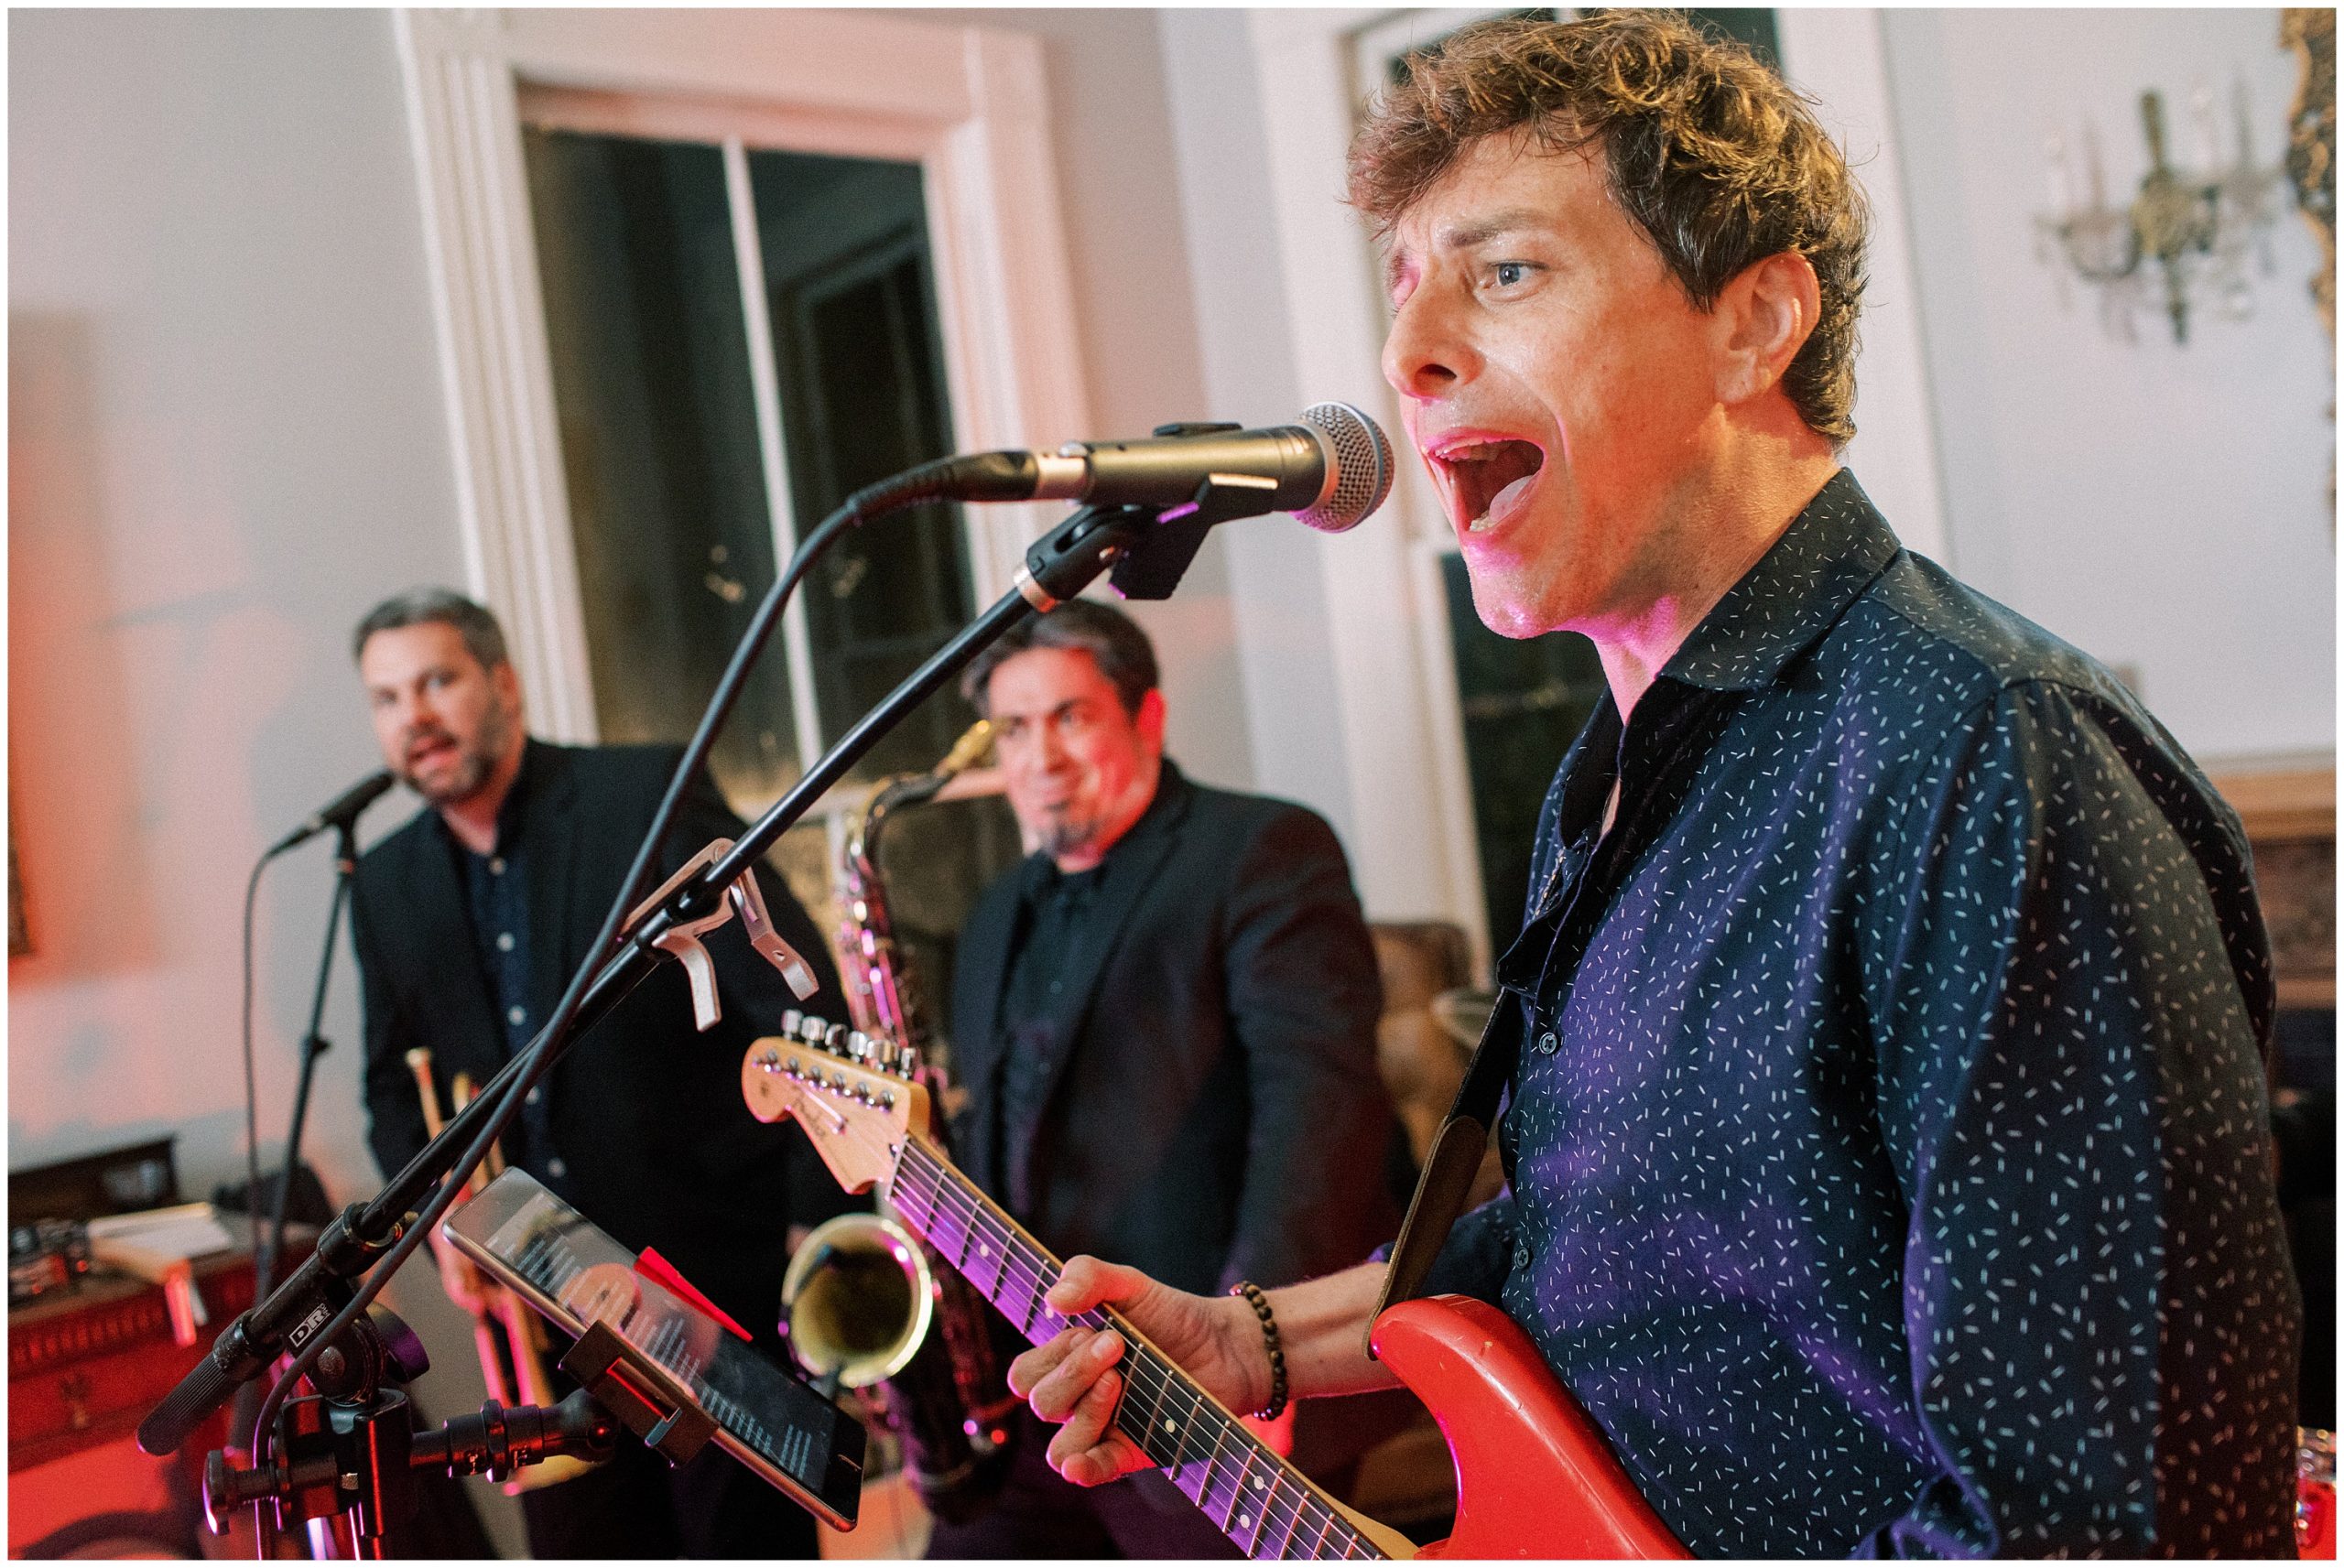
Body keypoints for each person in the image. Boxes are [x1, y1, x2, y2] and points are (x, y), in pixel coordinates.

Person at [1002, 14, 2302, 1558]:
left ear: (1756, 323)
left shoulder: (1992, 759)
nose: (1406, 356)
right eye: (1404, 287)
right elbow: (1606, 1241)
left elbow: (2105, 1522)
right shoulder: (1610, 782)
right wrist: (1255, 1339)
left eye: (1504, 272)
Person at [347, 587, 852, 1559]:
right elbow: (387, 1087)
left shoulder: (644, 796)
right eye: (387, 698)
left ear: (503, 684)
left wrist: (809, 1225)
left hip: (713, 1279)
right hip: (544, 1315)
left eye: (438, 681)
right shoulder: (383, 883)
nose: (415, 717)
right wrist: (439, 1223)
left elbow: (795, 1000)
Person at [929, 597, 1398, 1558]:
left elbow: (1318, 1111)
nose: (1040, 756)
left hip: (1216, 1397)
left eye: (1070, 716)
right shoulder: (992, 914)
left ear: (1147, 716)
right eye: (1013, 728)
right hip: (1051, 1392)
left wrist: (1255, 1358)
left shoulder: (1263, 849)